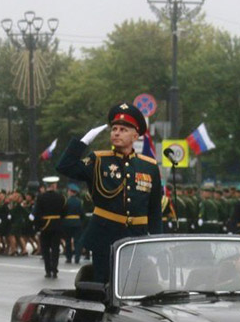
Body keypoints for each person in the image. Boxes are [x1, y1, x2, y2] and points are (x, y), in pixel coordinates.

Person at [56, 102, 162, 284]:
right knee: (103, 285)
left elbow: (154, 209)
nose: (117, 132)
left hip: (136, 237)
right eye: (114, 128)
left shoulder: (149, 166)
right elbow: (65, 167)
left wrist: (157, 242)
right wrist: (83, 142)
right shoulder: (99, 160)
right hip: (105, 236)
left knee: (132, 286)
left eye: (123, 129)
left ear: (135, 135)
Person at [32, 176, 66, 278]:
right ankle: (54, 269)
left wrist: (38, 227)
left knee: (45, 249)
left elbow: (37, 213)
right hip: (56, 225)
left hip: (45, 226)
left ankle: (48, 270)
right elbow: (64, 212)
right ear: (54, 185)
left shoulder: (41, 197)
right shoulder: (61, 197)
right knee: (55, 249)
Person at [62, 184, 84, 264]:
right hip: (77, 223)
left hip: (67, 223)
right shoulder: (79, 202)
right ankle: (77, 258)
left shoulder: (66, 201)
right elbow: (82, 213)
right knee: (77, 241)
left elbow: (63, 212)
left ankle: (69, 257)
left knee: (68, 241)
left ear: (70, 192)